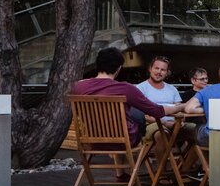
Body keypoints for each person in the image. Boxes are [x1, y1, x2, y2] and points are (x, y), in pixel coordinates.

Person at [72, 47, 183, 179]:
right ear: (119, 68)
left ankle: (121, 174)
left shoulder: (78, 87)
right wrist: (183, 106)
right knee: (134, 114)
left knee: (124, 116)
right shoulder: (126, 88)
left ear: (97, 65)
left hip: (91, 140)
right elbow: (157, 111)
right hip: (123, 140)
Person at [135, 56, 195, 166]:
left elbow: (180, 109)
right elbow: (141, 115)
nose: (159, 72)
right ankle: (161, 172)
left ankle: (184, 169)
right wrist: (164, 123)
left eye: (163, 70)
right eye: (156, 68)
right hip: (151, 124)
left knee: (200, 132)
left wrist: (181, 120)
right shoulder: (140, 88)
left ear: (167, 73)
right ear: (150, 69)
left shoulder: (172, 89)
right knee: (162, 135)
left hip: (175, 123)